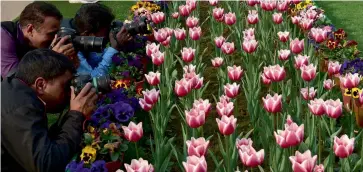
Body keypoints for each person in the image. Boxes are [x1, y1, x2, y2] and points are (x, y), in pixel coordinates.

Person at [1, 49, 98, 172]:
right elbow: (47, 165)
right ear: (41, 85)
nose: (69, 93)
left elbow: (46, 143)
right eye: (66, 85)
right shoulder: (18, 108)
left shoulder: (18, 91)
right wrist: (76, 116)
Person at [1, 1, 76, 78]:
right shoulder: (3, 37)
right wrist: (52, 58)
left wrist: (69, 63)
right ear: (30, 29)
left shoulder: (36, 41)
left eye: (57, 32)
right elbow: (14, 81)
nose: (55, 38)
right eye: (51, 34)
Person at [62, 3, 132, 77]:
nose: (108, 32)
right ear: (88, 34)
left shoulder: (81, 33)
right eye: (106, 29)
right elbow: (93, 78)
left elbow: (94, 60)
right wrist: (114, 48)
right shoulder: (70, 47)